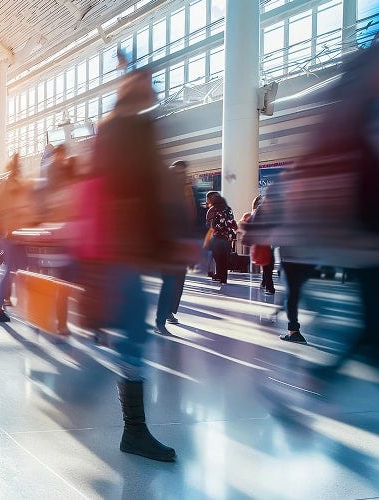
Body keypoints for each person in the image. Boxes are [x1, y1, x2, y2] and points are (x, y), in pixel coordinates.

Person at [86, 68, 182, 462]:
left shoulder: (119, 128)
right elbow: (136, 189)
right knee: (132, 337)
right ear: (135, 89)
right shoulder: (128, 129)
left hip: (120, 249)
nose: (155, 90)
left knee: (132, 335)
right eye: (149, 83)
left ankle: (133, 428)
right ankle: (134, 431)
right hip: (120, 249)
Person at [154, 160, 199, 335]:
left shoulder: (190, 192)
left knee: (179, 281)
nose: (180, 177)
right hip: (167, 245)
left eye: (183, 174)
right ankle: (160, 320)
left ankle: (169, 311)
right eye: (176, 173)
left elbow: (195, 218)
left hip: (183, 244)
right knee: (169, 281)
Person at [0, 155, 35, 322]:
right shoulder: (9, 183)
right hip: (12, 232)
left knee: (22, 268)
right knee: (12, 268)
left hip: (18, 232)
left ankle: (16, 304)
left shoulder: (15, 182)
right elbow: (4, 207)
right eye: (18, 164)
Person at [204, 191, 237, 285]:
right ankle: (223, 279)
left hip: (216, 238)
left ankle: (218, 276)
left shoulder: (212, 210)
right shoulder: (228, 209)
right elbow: (232, 222)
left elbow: (209, 225)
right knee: (224, 259)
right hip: (226, 238)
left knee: (218, 258)